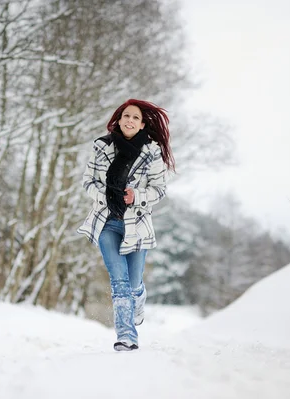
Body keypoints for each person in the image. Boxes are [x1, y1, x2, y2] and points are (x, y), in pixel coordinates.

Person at [77, 99, 175, 351]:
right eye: (126, 116)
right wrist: (106, 196)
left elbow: (159, 190)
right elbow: (88, 181)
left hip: (137, 225)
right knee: (119, 281)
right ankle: (126, 336)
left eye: (135, 118)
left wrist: (136, 196)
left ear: (142, 124)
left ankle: (139, 298)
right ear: (119, 120)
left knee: (132, 285)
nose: (129, 120)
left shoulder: (152, 152)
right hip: (107, 222)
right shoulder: (102, 147)